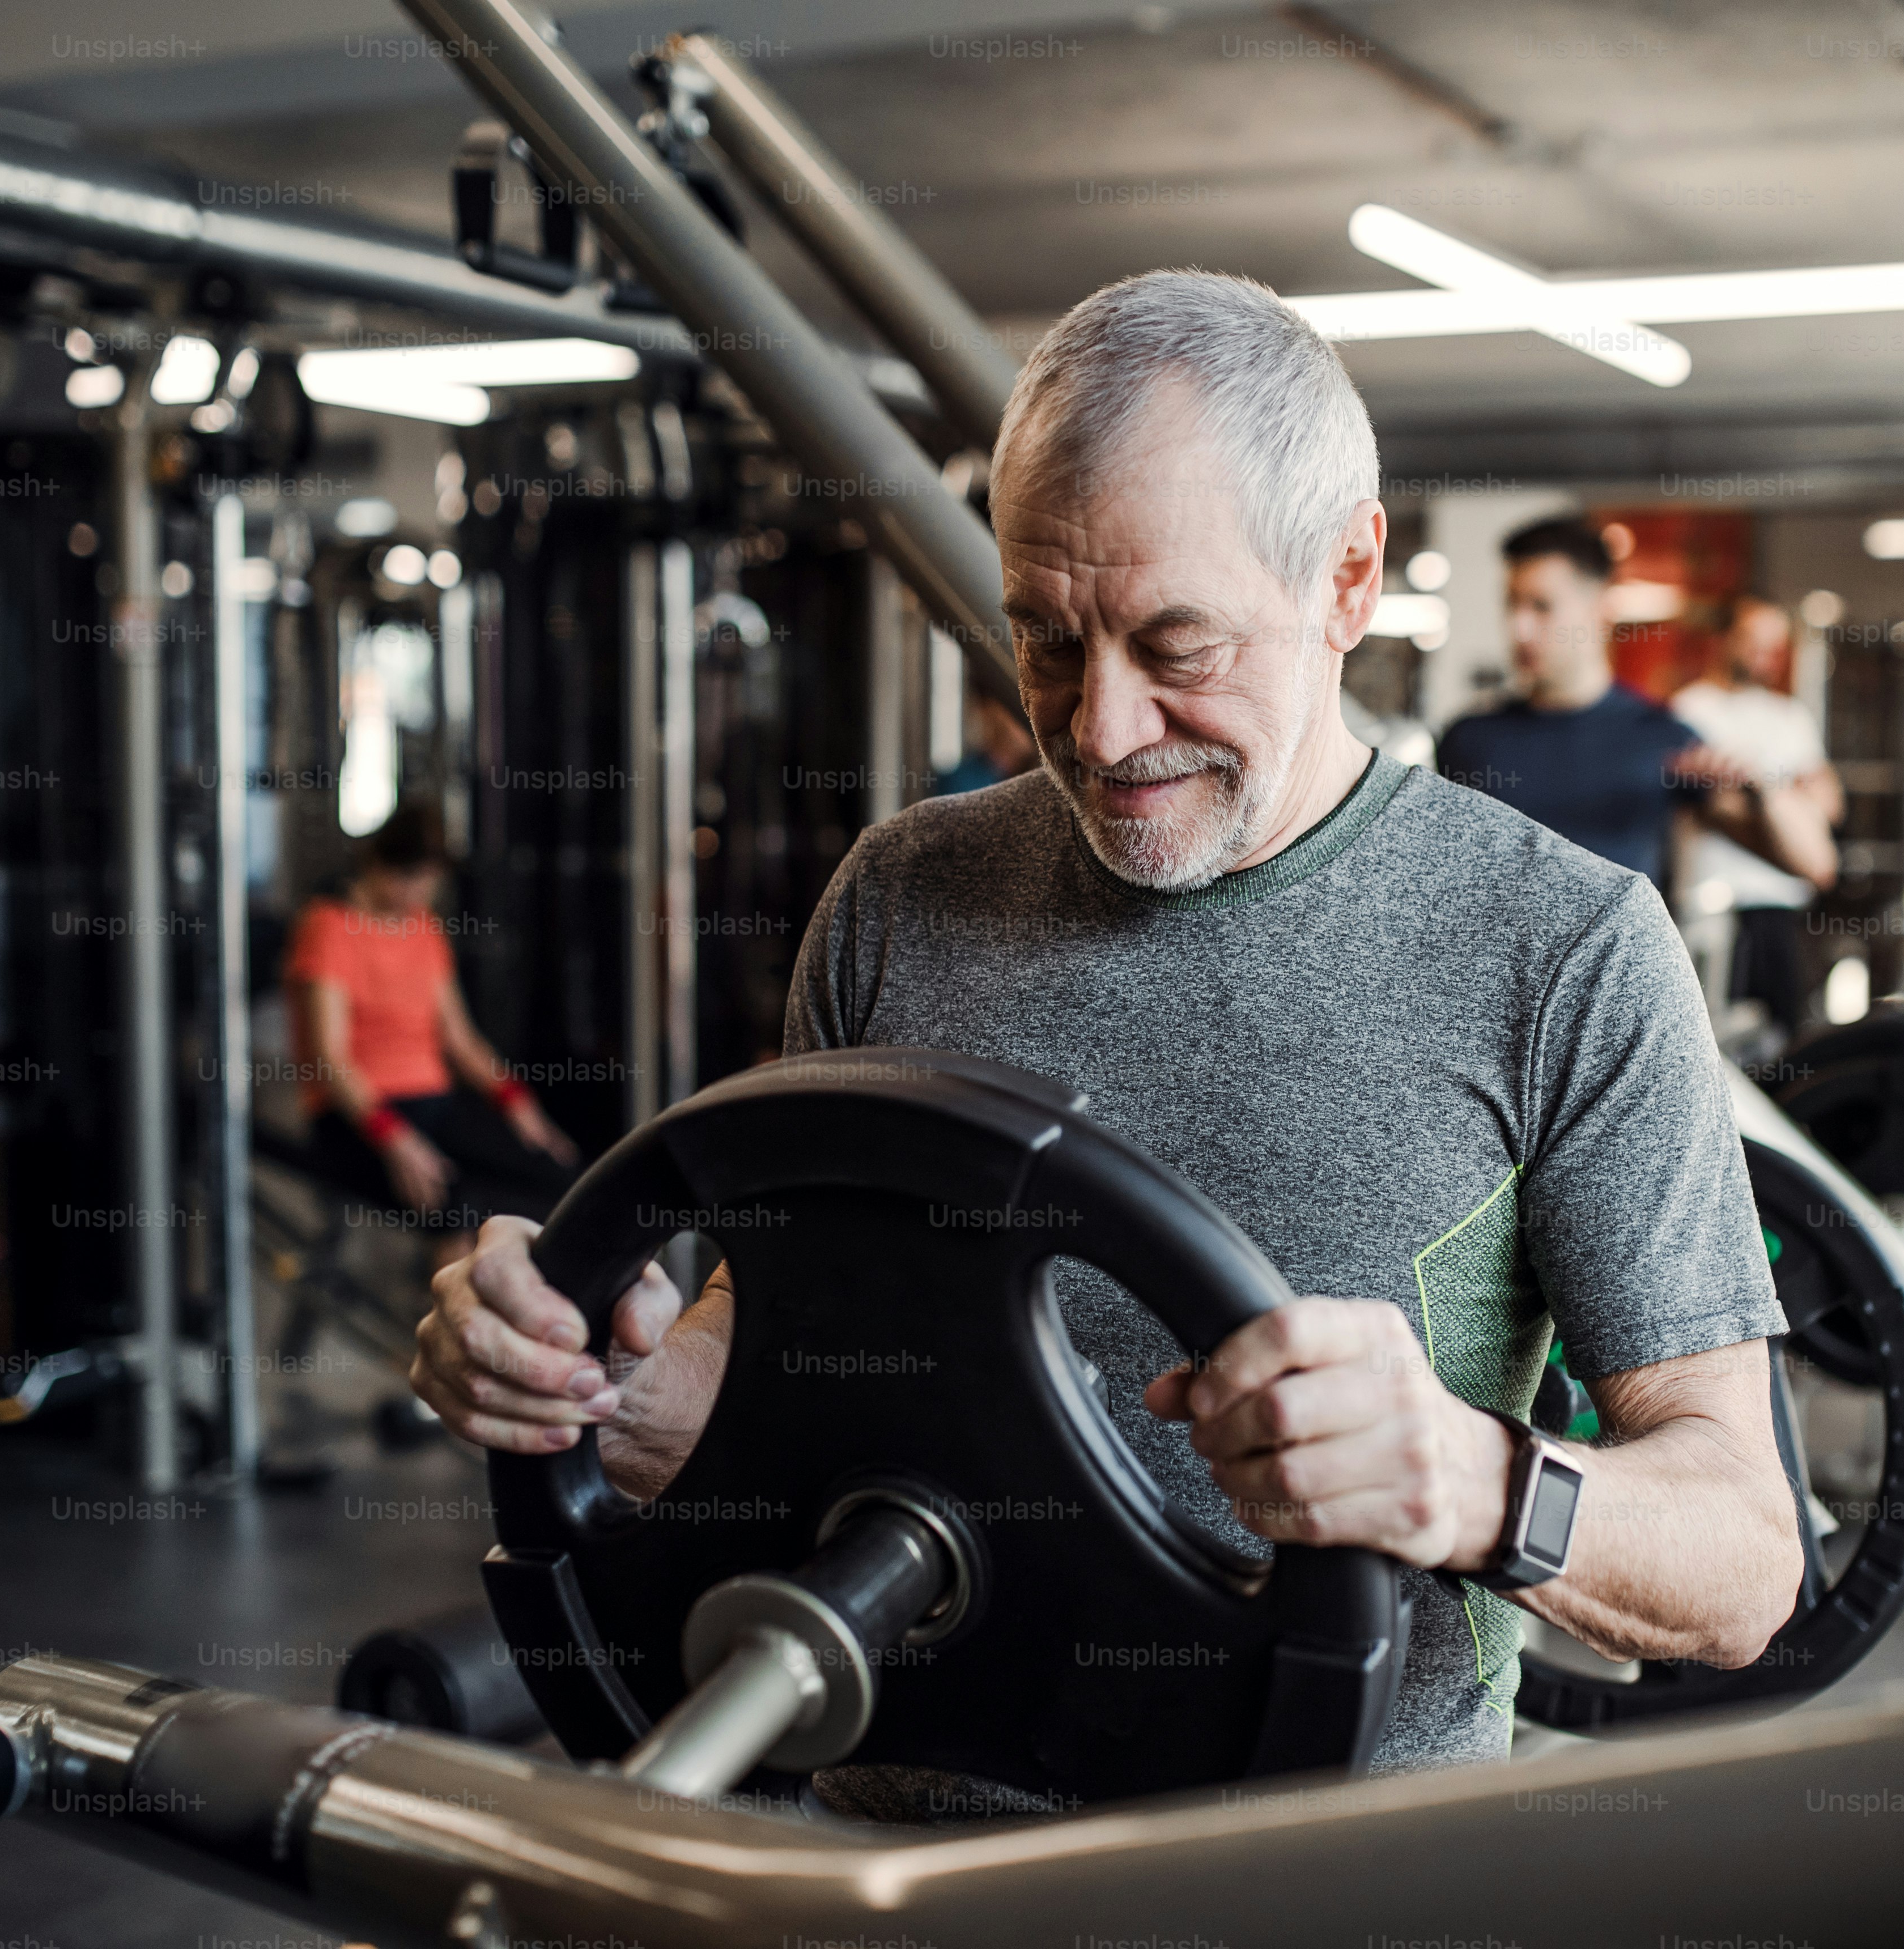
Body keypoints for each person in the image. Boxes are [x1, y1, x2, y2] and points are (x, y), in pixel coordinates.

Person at [407, 271, 1803, 1806]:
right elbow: (759, 1331)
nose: (1097, 728)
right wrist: (586, 1384)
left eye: (1177, 647)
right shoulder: (899, 894)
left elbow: (1740, 1558)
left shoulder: (1562, 949)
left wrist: (1471, 1484)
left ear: (1346, 580)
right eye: (1046, 642)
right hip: (894, 1869)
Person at [284, 801, 580, 1241]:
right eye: (414, 880)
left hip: (435, 1104)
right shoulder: (328, 928)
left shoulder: (424, 928)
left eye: (430, 883)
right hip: (359, 1117)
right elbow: (332, 1058)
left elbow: (461, 1040)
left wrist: (519, 1104)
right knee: (462, 1205)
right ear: (381, 867)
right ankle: (456, 1303)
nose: (422, 895)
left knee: (560, 1180)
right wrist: (396, 1140)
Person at [1431, 518, 1704, 897]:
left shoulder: (1662, 738)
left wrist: (1764, 791)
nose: (1519, 629)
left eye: (1542, 606)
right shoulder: (1470, 740)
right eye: (1512, 604)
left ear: (1600, 609)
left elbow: (1811, 863)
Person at [1667, 595, 1844, 1036]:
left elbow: (1829, 804)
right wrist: (1786, 802)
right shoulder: (1690, 711)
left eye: (1774, 644)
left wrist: (1757, 790)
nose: (1764, 654)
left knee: (1784, 1042)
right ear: (1724, 640)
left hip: (1780, 908)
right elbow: (1709, 806)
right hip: (1715, 909)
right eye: (1752, 641)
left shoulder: (1789, 716)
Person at [933, 675, 1037, 794]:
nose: (1030, 716)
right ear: (986, 709)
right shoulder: (961, 784)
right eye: (1018, 703)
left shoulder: (1050, 774)